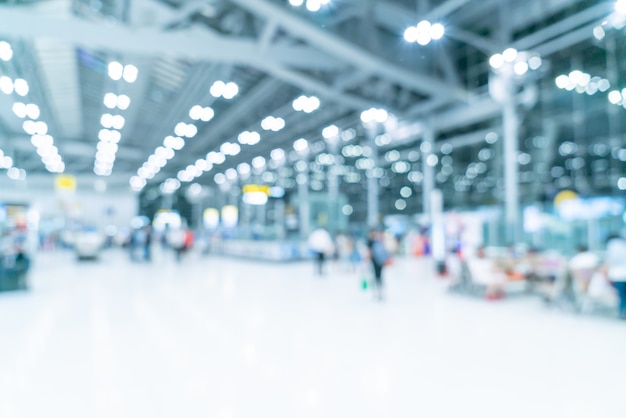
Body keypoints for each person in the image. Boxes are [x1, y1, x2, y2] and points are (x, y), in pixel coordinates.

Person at [604, 234, 626, 319]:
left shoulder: (613, 244)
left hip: (619, 275)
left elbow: (613, 259)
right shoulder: (623, 243)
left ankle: (622, 312)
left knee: (621, 295)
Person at [367, 229, 390, 300]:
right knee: (378, 276)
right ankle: (378, 292)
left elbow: (369, 252)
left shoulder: (374, 241)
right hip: (378, 261)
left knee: (377, 276)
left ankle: (378, 292)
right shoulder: (376, 241)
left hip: (377, 261)